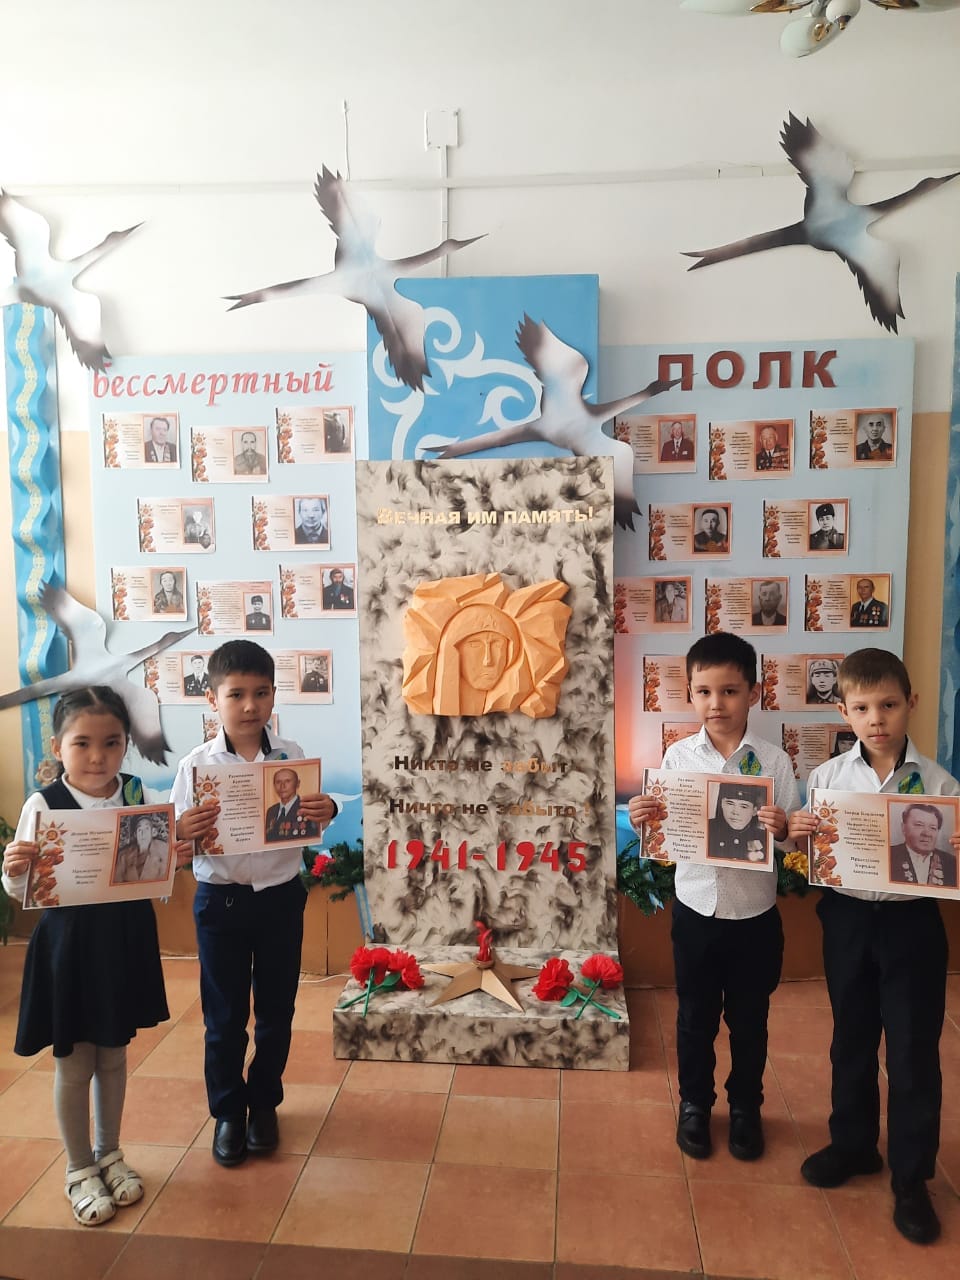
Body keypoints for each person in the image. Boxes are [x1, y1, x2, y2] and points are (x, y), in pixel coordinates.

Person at [788, 648, 960, 1245]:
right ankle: (854, 1145)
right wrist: (802, 833)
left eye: (888, 705)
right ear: (844, 711)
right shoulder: (827, 780)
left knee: (912, 1051)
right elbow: (810, 850)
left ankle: (911, 1179)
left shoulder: (940, 785)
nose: (876, 719)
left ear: (911, 703)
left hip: (913, 926)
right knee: (851, 1039)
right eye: (861, 708)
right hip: (848, 919)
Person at [1, 687, 190, 1226]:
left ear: (126, 745)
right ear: (58, 747)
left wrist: (172, 859)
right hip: (69, 947)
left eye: (111, 742)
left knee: (113, 1053)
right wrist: (15, 869)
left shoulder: (135, 795)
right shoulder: (42, 805)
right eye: (82, 743)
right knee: (74, 1060)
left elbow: (151, 874)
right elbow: (22, 890)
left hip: (123, 940)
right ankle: (78, 1167)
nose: (97, 755)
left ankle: (110, 1153)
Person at [628, 633, 799, 1165]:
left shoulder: (774, 761)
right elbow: (664, 831)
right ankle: (695, 1106)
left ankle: (746, 1108)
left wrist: (783, 828)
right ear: (690, 694)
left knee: (750, 1021)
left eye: (729, 691)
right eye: (703, 692)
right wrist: (643, 818)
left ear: (754, 692)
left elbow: (792, 840)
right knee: (694, 1018)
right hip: (696, 911)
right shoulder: (678, 756)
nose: (716, 703)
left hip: (754, 915)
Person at [171, 640, 337, 1168]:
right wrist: (182, 830)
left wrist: (327, 808)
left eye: (261, 693)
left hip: (280, 900)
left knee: (276, 1010)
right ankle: (227, 1111)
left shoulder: (290, 755)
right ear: (212, 699)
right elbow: (173, 843)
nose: (249, 706)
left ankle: (264, 1104)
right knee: (224, 1017)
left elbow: (314, 812)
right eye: (236, 694)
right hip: (219, 903)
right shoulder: (196, 766)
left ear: (273, 695)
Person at [889, 803, 958, 889]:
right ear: (903, 828)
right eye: (919, 825)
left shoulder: (952, 862)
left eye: (933, 828)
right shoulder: (888, 855)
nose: (927, 833)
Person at [707, 781, 767, 862]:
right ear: (722, 804)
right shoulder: (706, 828)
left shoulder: (764, 837)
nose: (735, 812)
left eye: (744, 806)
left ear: (754, 811)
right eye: (730, 803)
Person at [264, 767, 321, 843]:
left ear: (297, 784)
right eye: (278, 782)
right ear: (274, 785)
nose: (282, 786)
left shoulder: (307, 807)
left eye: (287, 781)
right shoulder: (271, 811)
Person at [114, 814, 169, 883]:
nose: (143, 833)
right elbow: (116, 880)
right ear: (135, 834)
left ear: (153, 832)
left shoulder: (163, 849)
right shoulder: (123, 855)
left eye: (147, 828)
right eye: (139, 830)